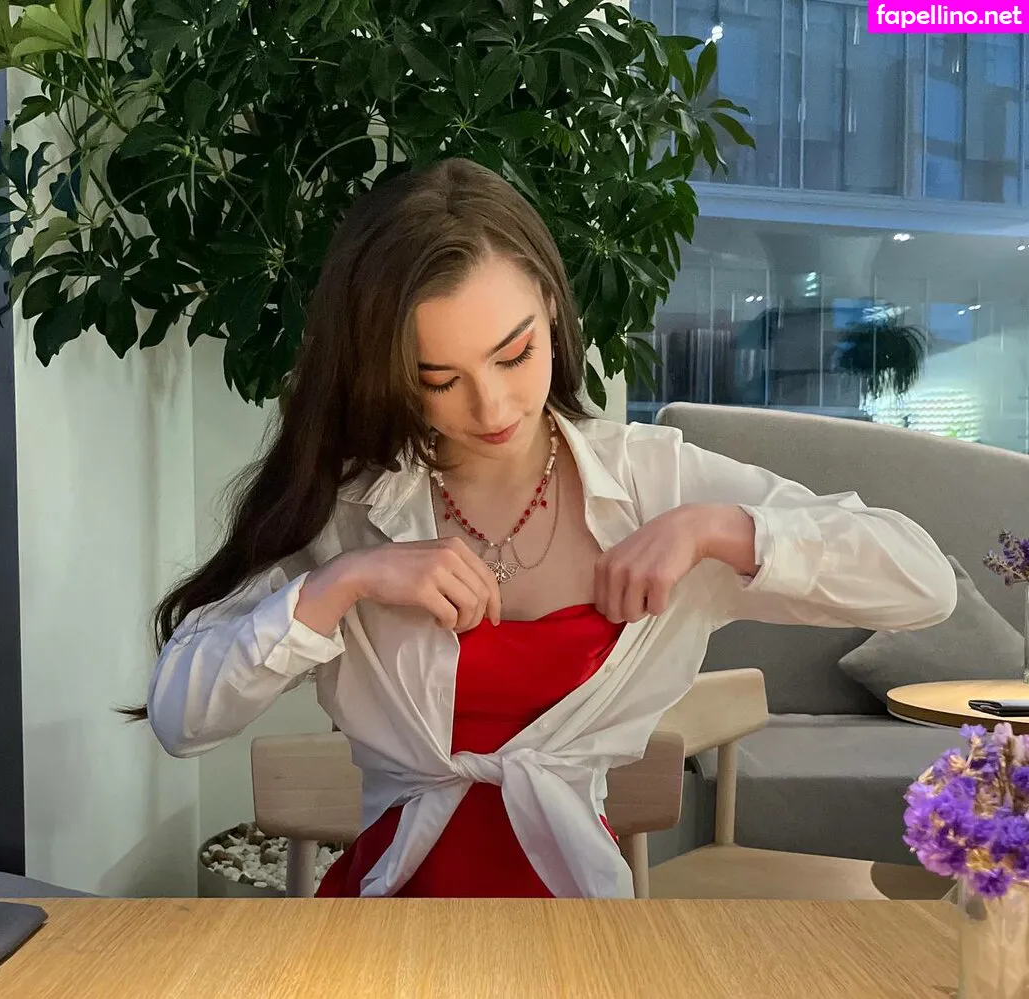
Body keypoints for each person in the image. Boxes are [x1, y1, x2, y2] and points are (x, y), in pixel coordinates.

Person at [136, 157, 957, 899]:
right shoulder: (350, 507)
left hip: (576, 923)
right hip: (387, 925)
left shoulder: (652, 481)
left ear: (553, 311)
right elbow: (181, 717)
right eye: (439, 380)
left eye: (514, 354)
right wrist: (339, 584)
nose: (491, 405)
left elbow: (923, 583)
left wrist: (718, 529)